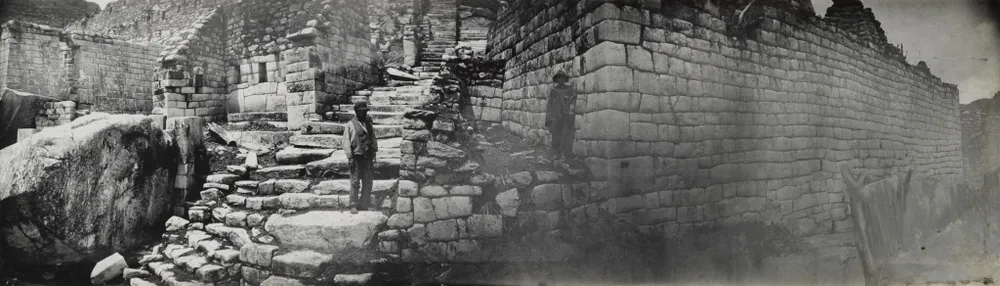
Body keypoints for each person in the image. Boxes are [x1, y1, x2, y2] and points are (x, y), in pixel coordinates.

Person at [342, 101, 378, 214]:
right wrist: (350, 157)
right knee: (355, 181)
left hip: (367, 157)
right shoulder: (350, 125)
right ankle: (353, 204)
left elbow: (373, 138)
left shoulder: (368, 124)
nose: (363, 113)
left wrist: (374, 150)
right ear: (356, 112)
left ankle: (364, 204)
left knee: (368, 181)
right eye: (361, 111)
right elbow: (346, 142)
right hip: (356, 157)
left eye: (365, 111)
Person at [544, 71, 577, 161]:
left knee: (565, 134)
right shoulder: (554, 91)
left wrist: (570, 112)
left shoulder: (569, 90)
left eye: (562, 77)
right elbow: (550, 104)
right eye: (559, 78)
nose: (561, 79)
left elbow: (572, 101)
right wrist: (549, 117)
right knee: (555, 134)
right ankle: (556, 153)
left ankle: (563, 154)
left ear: (564, 79)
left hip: (566, 115)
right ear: (557, 79)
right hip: (556, 115)